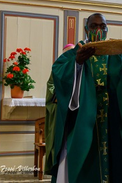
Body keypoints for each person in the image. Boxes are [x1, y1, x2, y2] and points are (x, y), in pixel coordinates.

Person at [50, 13, 122, 183]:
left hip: (112, 120)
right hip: (83, 120)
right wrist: (77, 64)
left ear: (107, 29)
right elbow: (59, 74)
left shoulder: (118, 54)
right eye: (94, 26)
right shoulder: (76, 53)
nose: (98, 30)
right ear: (86, 29)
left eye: (102, 26)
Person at [44, 43, 75, 176]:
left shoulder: (79, 66)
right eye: (66, 53)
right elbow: (51, 85)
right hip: (60, 111)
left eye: (71, 53)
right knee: (61, 143)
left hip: (75, 110)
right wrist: (60, 94)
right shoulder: (58, 68)